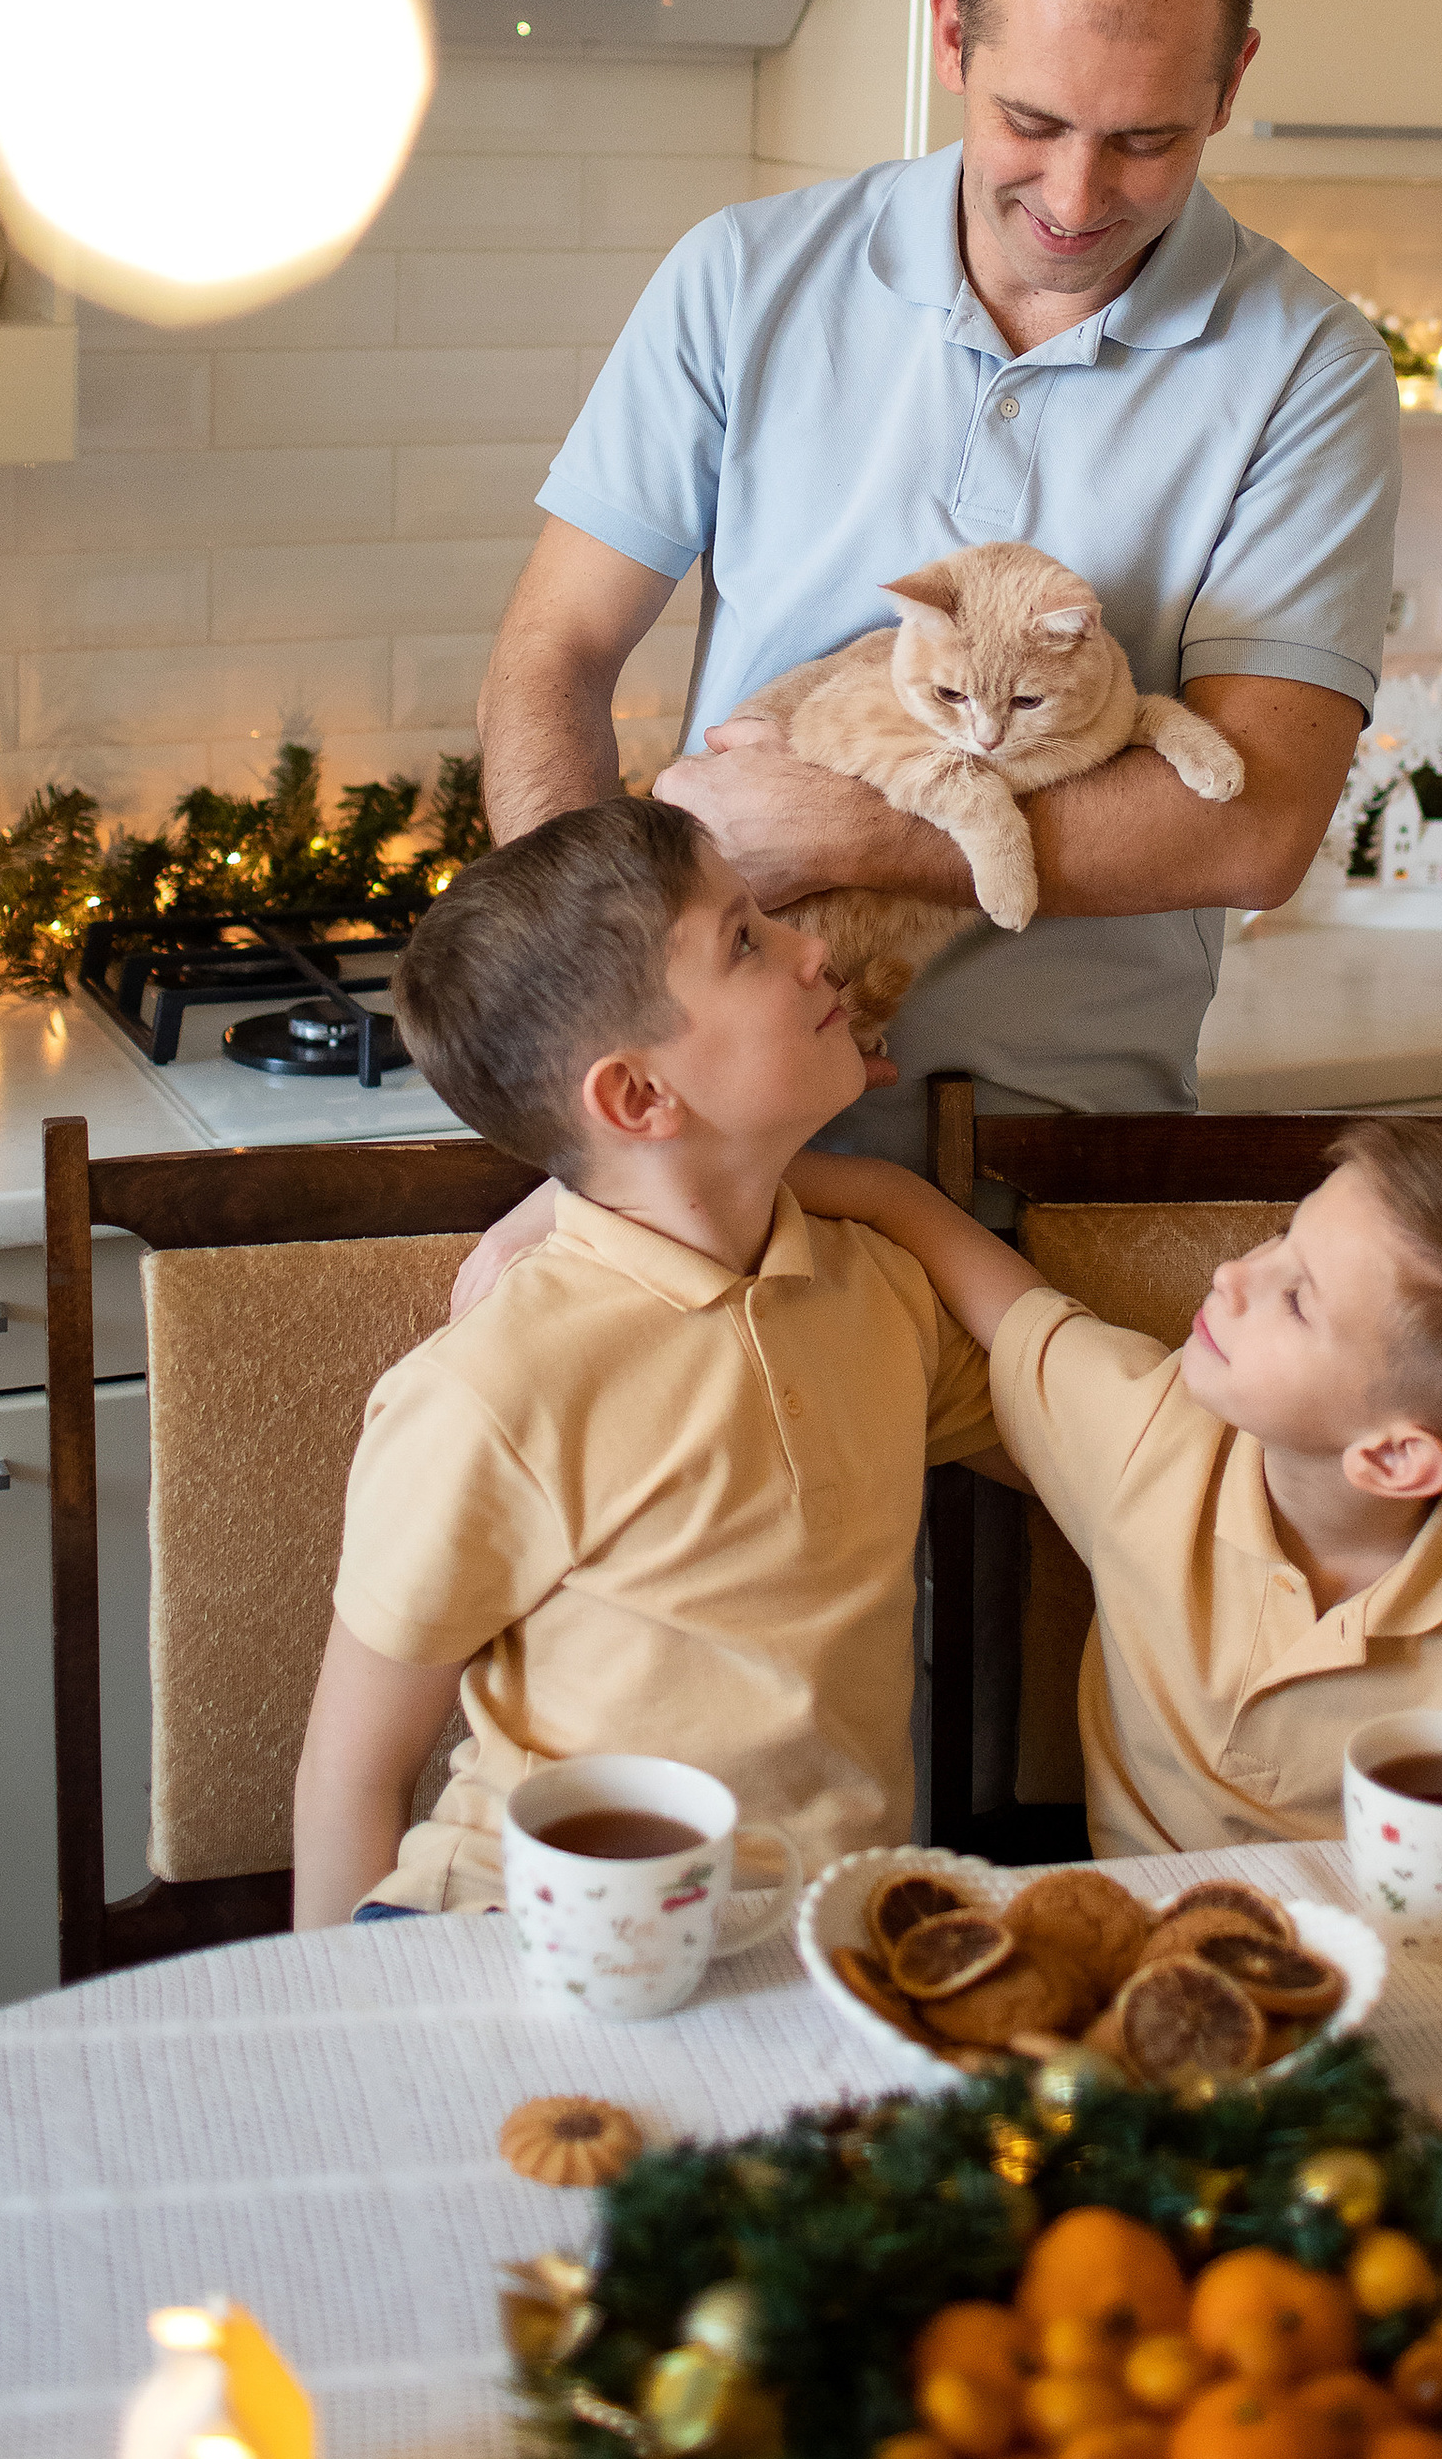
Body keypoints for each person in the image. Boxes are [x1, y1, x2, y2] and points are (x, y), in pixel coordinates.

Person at [475, 0, 1403, 1181]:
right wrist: (601, 1009)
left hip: (1066, 1172)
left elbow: (1256, 822)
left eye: (1145, 139)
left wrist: (855, 832)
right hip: (719, 1161)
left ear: (1232, 80)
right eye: (1031, 122)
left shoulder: (1309, 369)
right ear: (952, 36)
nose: (1077, 198)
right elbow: (550, 656)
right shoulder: (743, 277)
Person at [290, 797, 1003, 1925]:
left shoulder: (880, 1296)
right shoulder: (489, 1390)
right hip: (516, 1928)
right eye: (746, 942)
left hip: (808, 1952)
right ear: (636, 1097)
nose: (817, 948)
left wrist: (889, 1196)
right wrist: (340, 2056)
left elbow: (1105, 1434)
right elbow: (351, 1773)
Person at [789, 1115, 1442, 1895]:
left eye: (1299, 1298)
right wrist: (862, 1185)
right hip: (1137, 1965)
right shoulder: (1148, 1432)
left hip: (1401, 2005)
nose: (1233, 1273)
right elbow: (966, 1267)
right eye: (1279, 1239)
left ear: (1394, 1457)